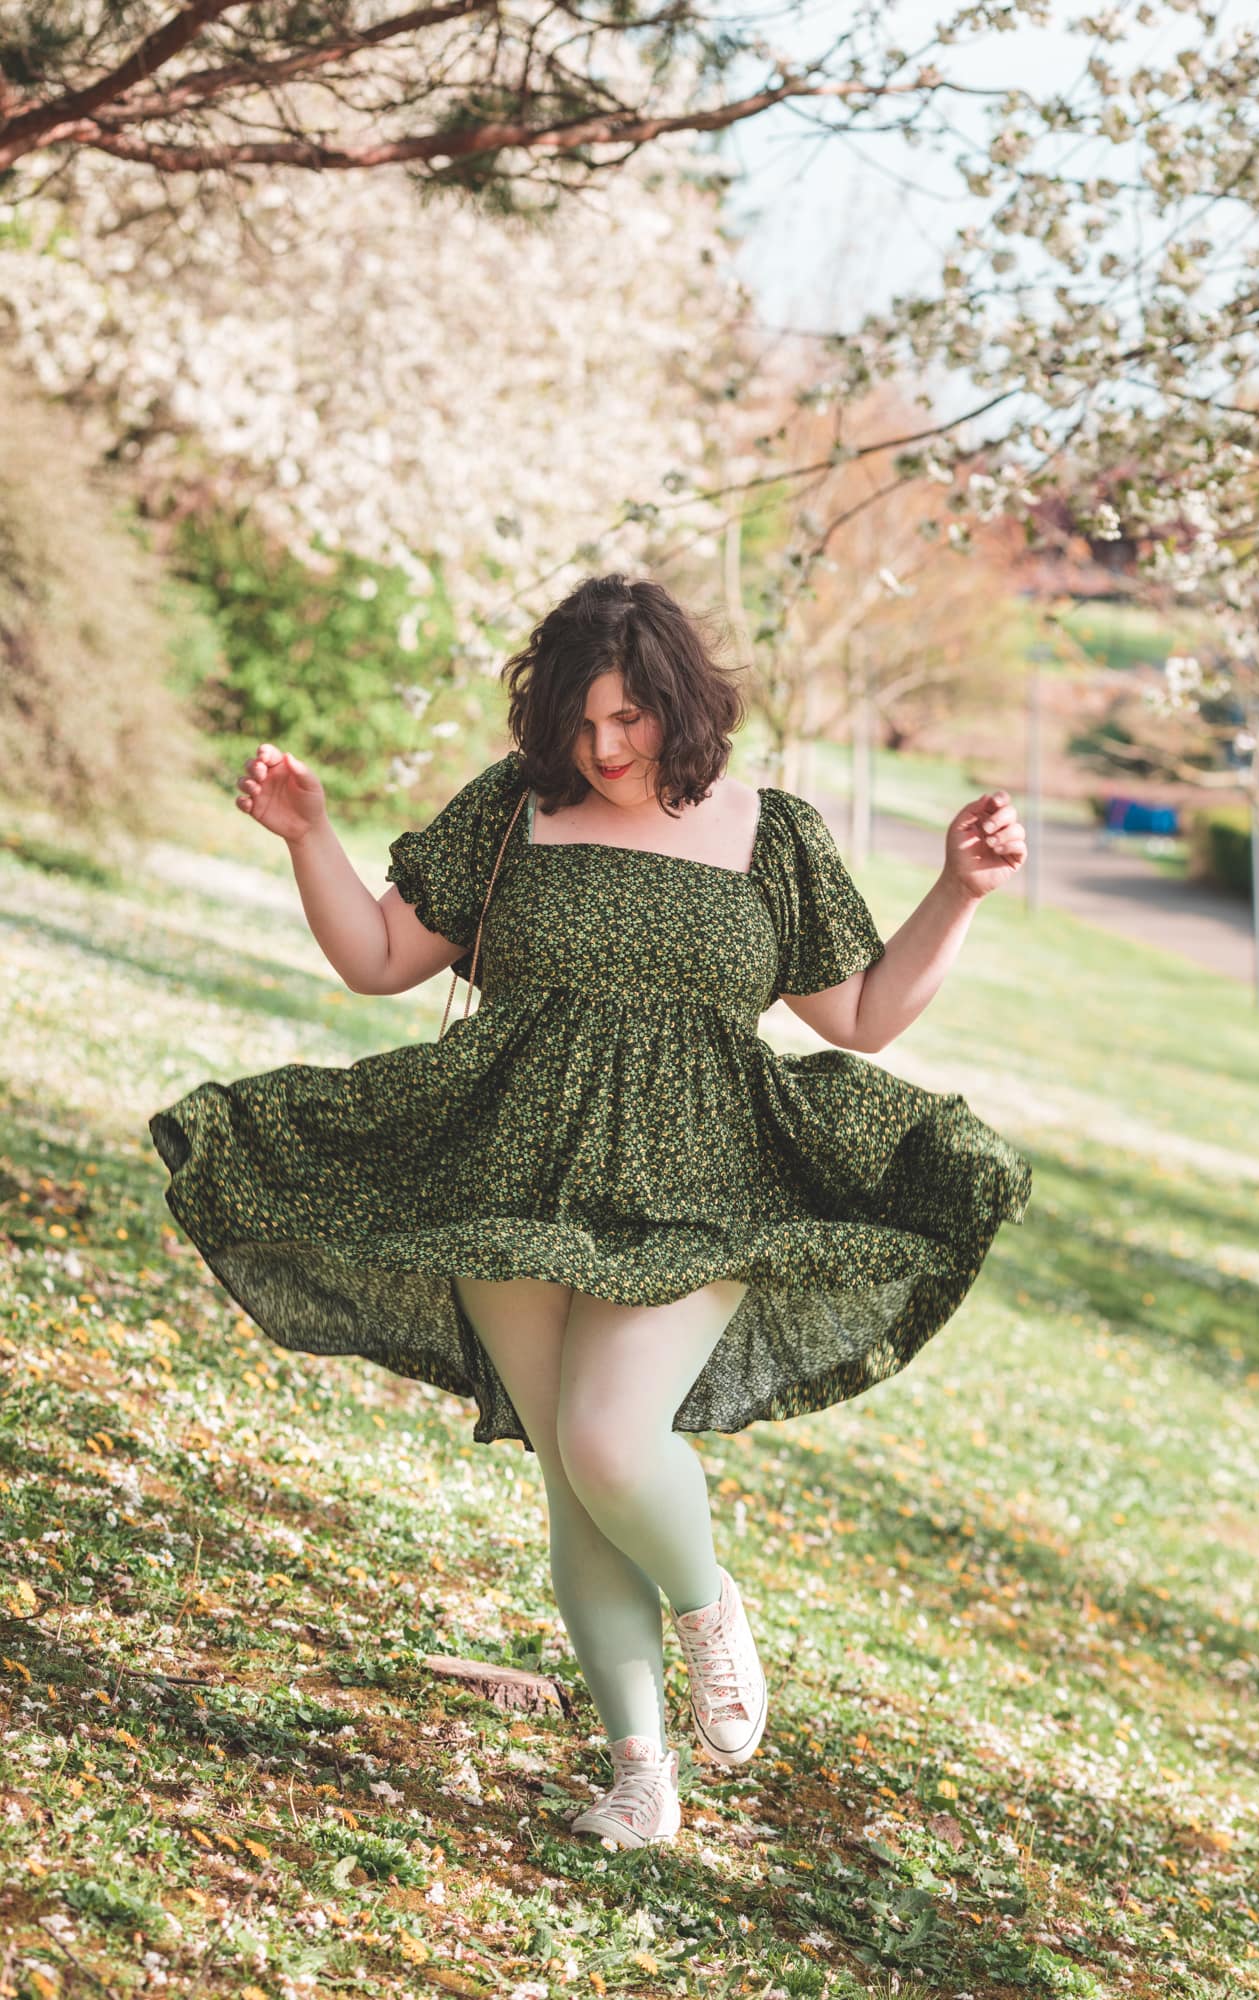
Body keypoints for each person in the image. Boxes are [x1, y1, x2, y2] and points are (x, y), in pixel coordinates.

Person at [149, 572, 1033, 1850]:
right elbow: (378, 959)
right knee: (572, 1482)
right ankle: (639, 1773)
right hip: (508, 1171)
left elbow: (863, 1013)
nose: (605, 747)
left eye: (629, 718)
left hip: (699, 1183)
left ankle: (707, 1603)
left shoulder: (770, 832)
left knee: (613, 1439)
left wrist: (958, 889)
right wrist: (308, 834)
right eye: (578, 722)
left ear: (684, 701)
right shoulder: (513, 811)